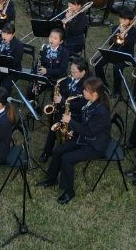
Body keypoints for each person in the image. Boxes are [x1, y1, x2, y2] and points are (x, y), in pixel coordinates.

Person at [37, 76, 111, 204]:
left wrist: (70, 122)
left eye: (86, 90)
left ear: (94, 93)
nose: (83, 92)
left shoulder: (101, 112)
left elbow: (89, 131)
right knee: (59, 150)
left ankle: (69, 191)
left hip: (95, 146)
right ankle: (51, 178)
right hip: (85, 139)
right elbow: (85, 122)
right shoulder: (91, 103)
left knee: (67, 159)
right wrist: (70, 118)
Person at [39, 56, 88, 162]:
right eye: (71, 70)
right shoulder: (69, 78)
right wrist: (55, 94)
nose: (71, 74)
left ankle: (64, 151)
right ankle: (47, 152)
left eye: (74, 72)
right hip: (63, 111)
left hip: (76, 115)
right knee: (53, 129)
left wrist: (62, 101)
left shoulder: (87, 85)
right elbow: (59, 90)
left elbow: (82, 105)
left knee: (62, 130)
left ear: (83, 72)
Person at [92, 8, 136, 93]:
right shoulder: (115, 28)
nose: (121, 21)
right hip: (113, 51)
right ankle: (103, 84)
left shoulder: (134, 31)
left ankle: (117, 91)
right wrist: (115, 36)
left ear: (131, 21)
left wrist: (124, 36)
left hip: (126, 53)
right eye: (120, 18)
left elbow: (130, 43)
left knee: (117, 68)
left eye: (124, 19)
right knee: (97, 63)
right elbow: (110, 43)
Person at [0, 22, 24, 90]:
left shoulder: (18, 45)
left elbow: (16, 62)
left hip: (12, 70)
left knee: (5, 86)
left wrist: (2, 57)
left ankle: (4, 99)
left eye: (8, 34)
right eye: (3, 33)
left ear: (13, 34)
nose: (5, 36)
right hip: (0, 68)